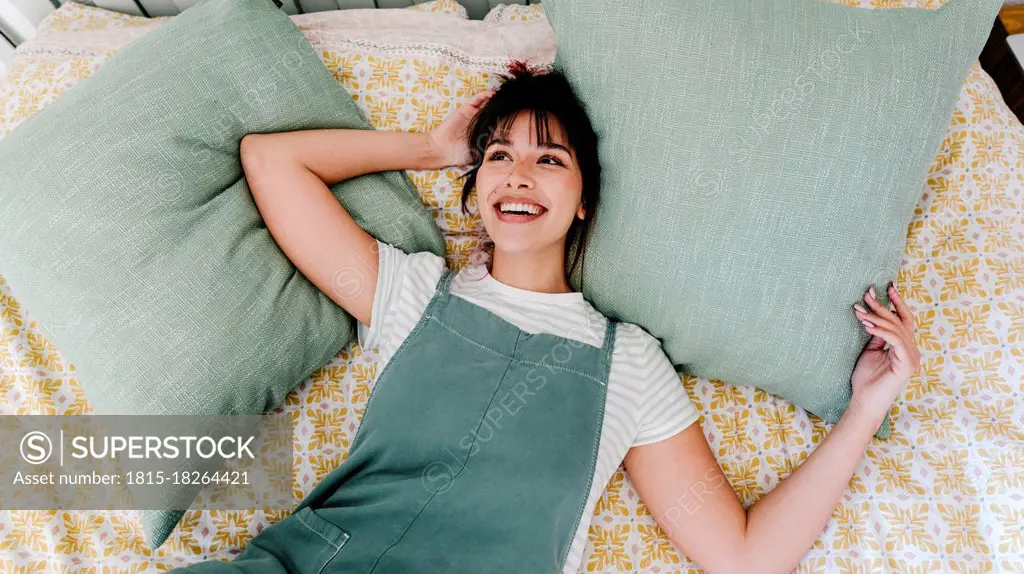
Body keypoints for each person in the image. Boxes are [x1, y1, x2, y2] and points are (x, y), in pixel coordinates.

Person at [176, 61, 920, 573]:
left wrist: (864, 408)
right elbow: (271, 162)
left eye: (550, 160)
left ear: (584, 199)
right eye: (498, 156)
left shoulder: (626, 364)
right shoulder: (411, 296)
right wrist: (433, 149)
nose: (519, 174)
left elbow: (744, 556)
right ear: (475, 191)